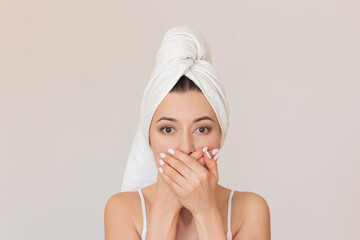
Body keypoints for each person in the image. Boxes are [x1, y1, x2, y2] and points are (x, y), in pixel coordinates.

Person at [104, 26, 270, 240]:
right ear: (149, 139)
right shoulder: (123, 210)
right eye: (168, 129)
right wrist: (164, 212)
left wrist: (206, 212)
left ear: (220, 135)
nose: (185, 147)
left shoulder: (250, 210)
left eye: (202, 129)